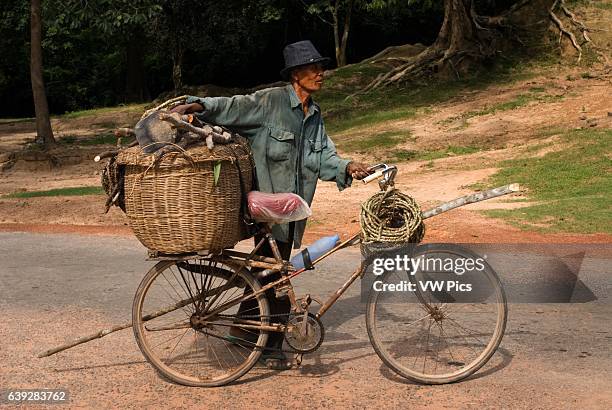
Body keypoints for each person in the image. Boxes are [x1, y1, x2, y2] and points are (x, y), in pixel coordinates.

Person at [171, 40, 370, 369]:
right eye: (312, 68)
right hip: (266, 209)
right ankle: (269, 347)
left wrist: (348, 167)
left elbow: (322, 156)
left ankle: (244, 331)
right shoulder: (271, 102)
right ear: (295, 74)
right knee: (275, 279)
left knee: (266, 273)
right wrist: (194, 106)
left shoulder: (313, 114)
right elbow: (233, 106)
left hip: (291, 212)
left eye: (321, 67)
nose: (320, 73)